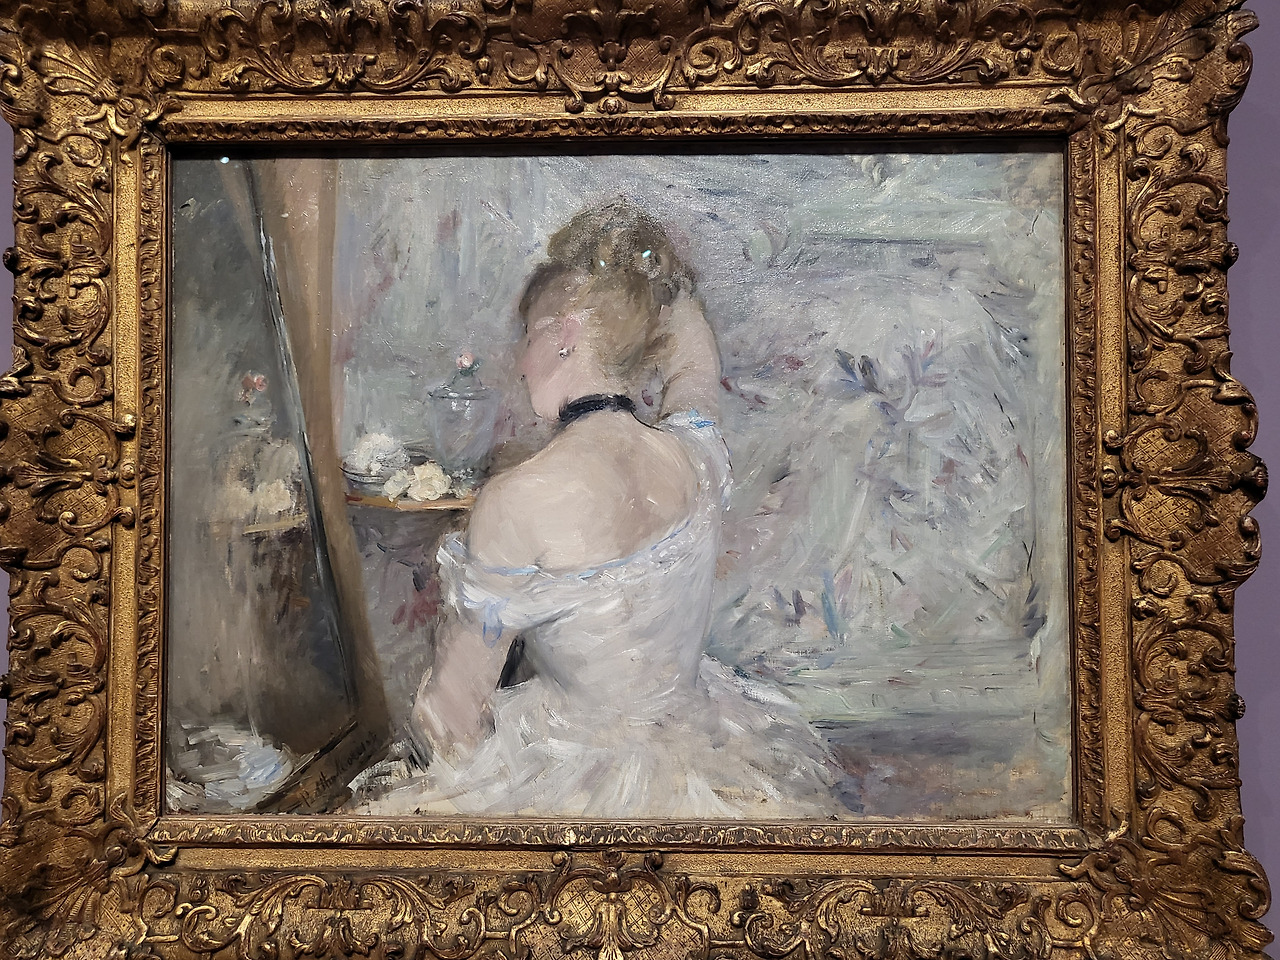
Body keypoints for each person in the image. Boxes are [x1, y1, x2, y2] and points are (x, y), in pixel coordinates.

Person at [354, 202, 837, 818]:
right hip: (699, 756)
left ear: (564, 334)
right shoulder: (696, 458)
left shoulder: (516, 501)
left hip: (578, 788)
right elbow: (695, 367)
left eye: (528, 334)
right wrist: (651, 271)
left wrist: (433, 773)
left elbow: (454, 713)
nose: (519, 361)